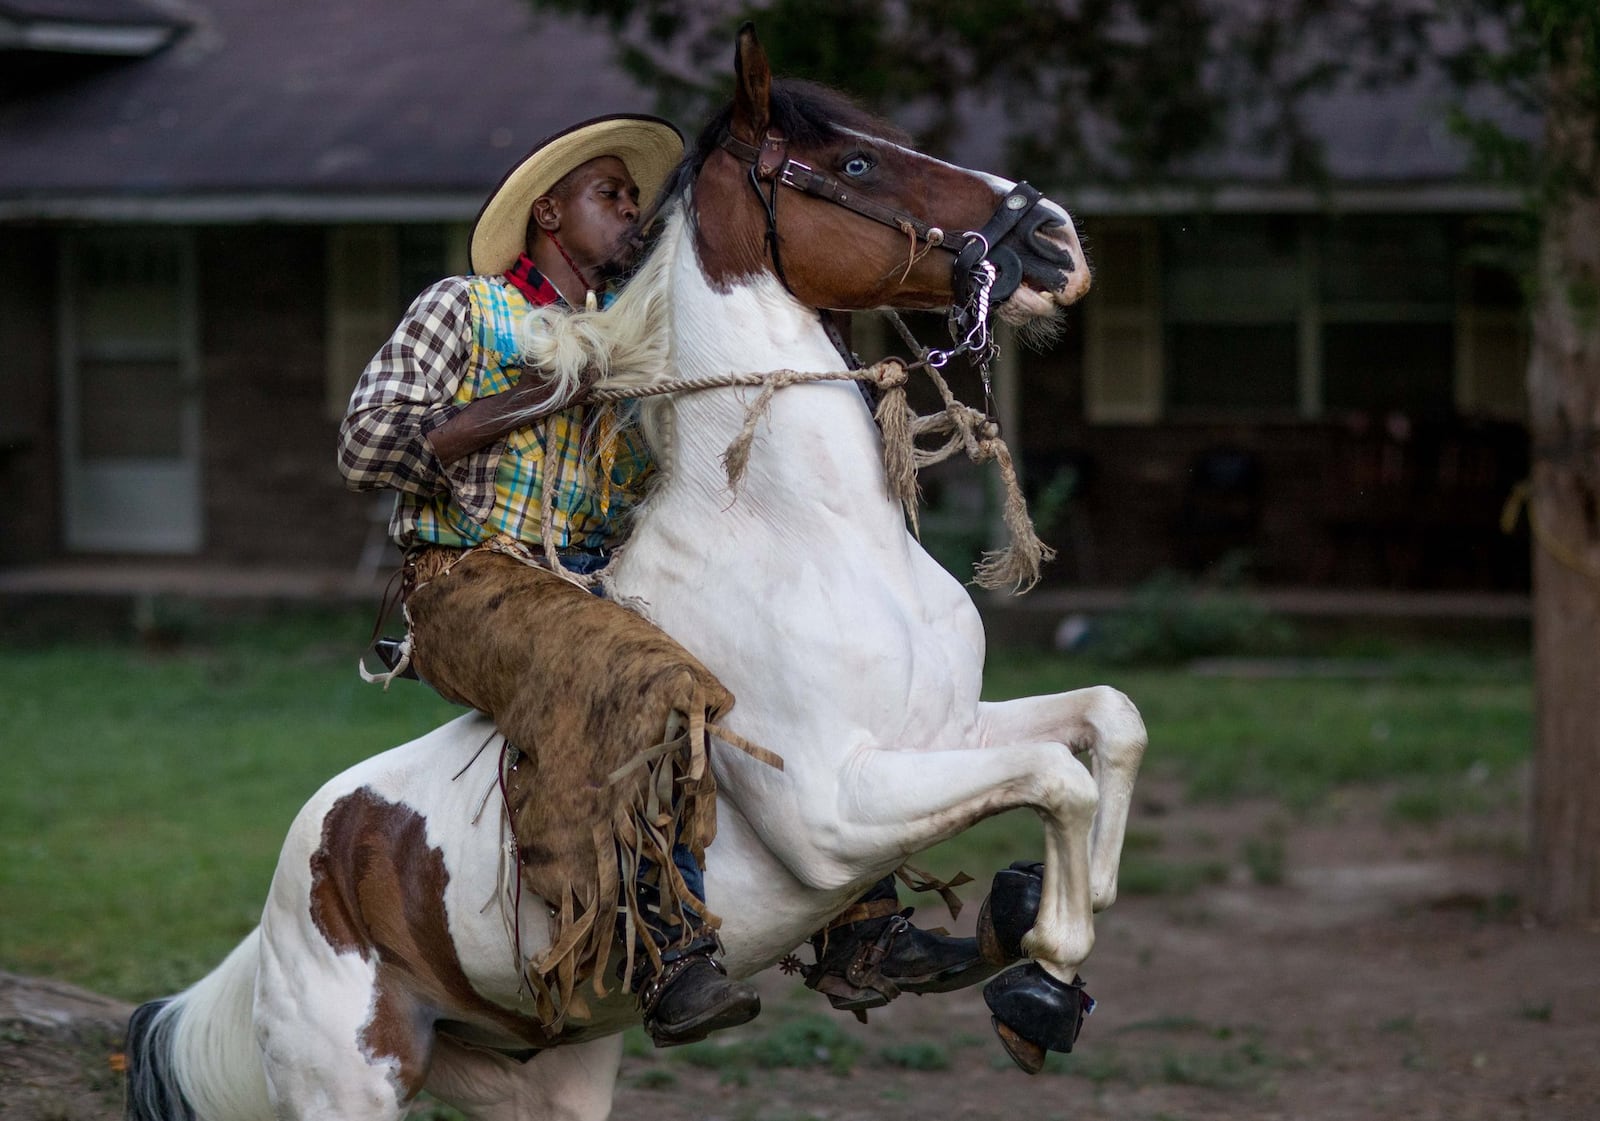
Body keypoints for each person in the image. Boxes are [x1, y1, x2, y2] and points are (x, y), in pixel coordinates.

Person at [338, 114, 987, 1046]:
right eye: (611, 196)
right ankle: (661, 952)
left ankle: (862, 931)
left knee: (765, 673)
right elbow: (364, 445)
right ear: (550, 213)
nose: (632, 212)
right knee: (649, 677)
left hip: (597, 581)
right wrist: (540, 393)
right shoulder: (464, 309)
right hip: (466, 580)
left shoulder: (636, 347)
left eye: (637, 198)